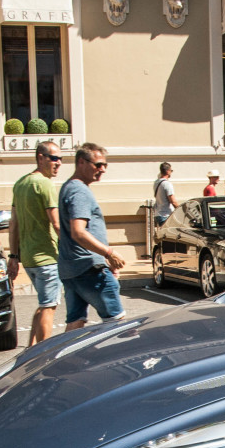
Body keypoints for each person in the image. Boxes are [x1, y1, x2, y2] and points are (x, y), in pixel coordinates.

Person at [58, 142, 127, 331]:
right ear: (81, 162)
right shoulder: (79, 191)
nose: (102, 170)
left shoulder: (69, 187)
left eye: (105, 165)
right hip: (89, 268)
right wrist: (108, 253)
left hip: (72, 268)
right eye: (98, 165)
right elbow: (78, 232)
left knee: (75, 324)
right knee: (117, 325)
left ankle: (65, 360)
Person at [6, 142, 63, 345]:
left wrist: (13, 256)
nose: (59, 163)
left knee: (42, 305)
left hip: (29, 259)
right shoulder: (45, 184)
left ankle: (30, 350)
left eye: (61, 159)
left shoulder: (20, 184)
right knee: (49, 307)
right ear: (41, 157)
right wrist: (73, 249)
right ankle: (43, 356)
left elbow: (14, 225)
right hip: (48, 256)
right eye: (54, 158)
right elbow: (57, 223)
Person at [153, 162, 179, 227]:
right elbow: (173, 201)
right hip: (166, 214)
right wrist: (180, 209)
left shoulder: (156, 183)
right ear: (168, 171)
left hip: (158, 214)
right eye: (171, 171)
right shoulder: (167, 184)